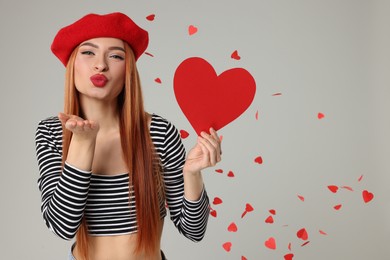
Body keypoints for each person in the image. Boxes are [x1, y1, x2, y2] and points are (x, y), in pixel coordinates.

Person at [35, 12, 222, 260]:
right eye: (88, 52)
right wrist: (82, 144)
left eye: (115, 56)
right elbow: (61, 226)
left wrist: (192, 173)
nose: (100, 64)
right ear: (72, 65)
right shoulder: (52, 132)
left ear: (129, 71)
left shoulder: (159, 132)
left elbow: (194, 230)